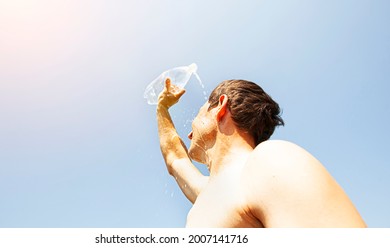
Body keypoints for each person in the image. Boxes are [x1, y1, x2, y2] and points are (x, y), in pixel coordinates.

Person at [156, 78, 366, 228]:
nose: (190, 129)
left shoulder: (269, 162)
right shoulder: (208, 193)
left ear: (221, 106)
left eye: (199, 113)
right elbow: (175, 158)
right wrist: (162, 108)